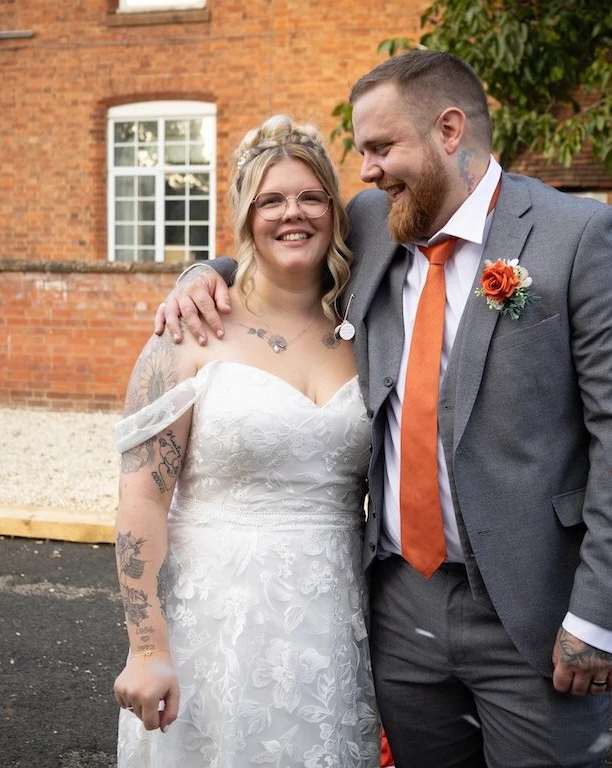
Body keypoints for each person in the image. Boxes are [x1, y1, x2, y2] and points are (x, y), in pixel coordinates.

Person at [155, 50, 612, 767]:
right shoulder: (376, 223)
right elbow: (279, 241)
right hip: (398, 604)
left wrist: (603, 617)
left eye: (380, 147)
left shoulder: (579, 238)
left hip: (535, 605)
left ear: (450, 130)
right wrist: (200, 275)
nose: (365, 172)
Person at [111, 115, 381, 767]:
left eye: (311, 196)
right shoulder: (188, 329)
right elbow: (142, 498)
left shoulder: (367, 329)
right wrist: (147, 647)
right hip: (218, 625)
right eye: (271, 199)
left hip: (335, 620)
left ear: (334, 212)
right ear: (245, 213)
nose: (294, 214)